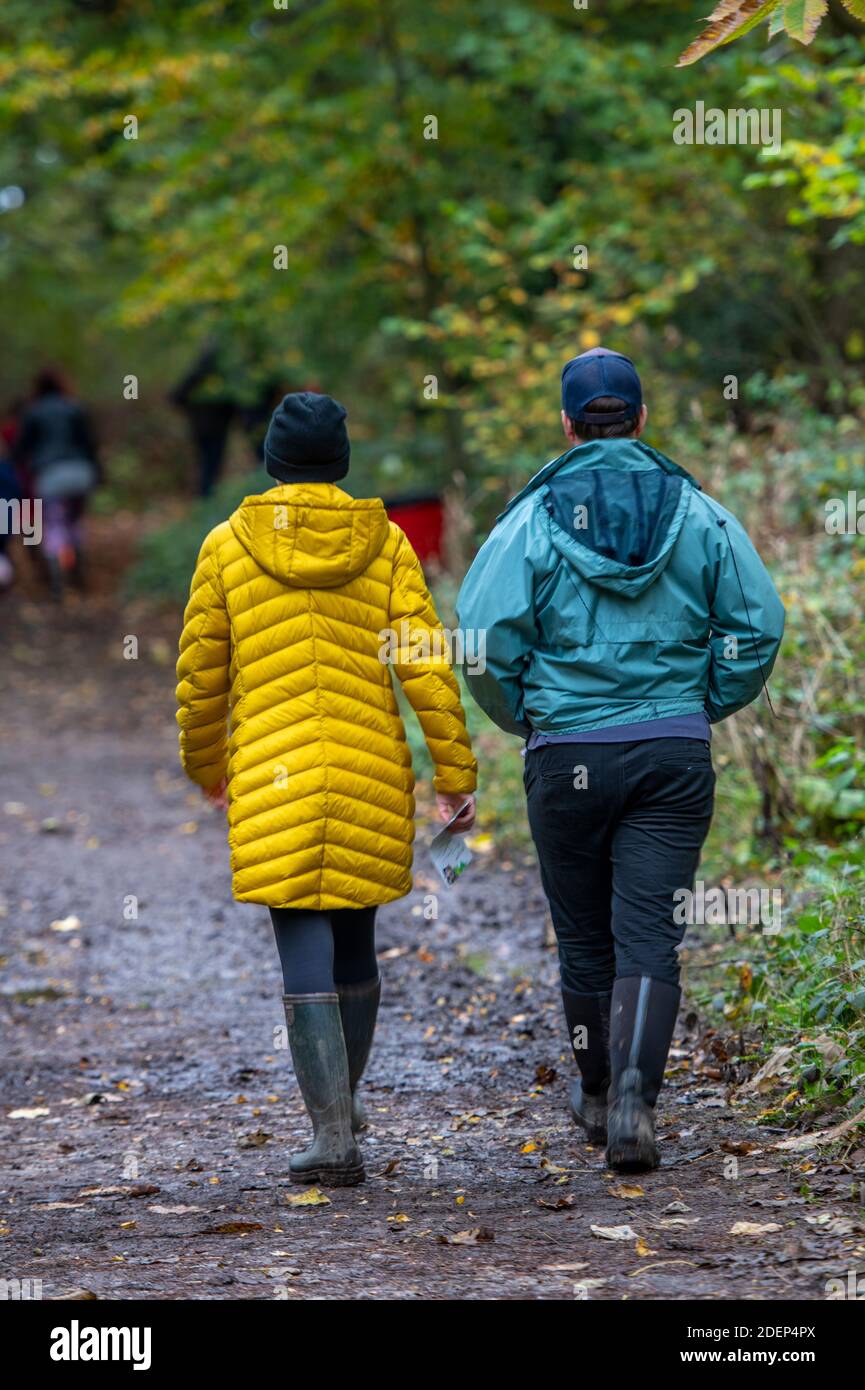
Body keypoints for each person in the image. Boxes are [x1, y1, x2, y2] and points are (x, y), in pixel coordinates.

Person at [456, 348, 784, 1173]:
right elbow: (758, 623)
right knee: (651, 936)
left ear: (565, 426)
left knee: (582, 938)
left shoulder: (529, 521)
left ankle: (597, 1093)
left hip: (565, 753)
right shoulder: (698, 510)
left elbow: (481, 640)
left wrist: (522, 714)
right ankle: (637, 1096)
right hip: (671, 753)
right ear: (640, 419)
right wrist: (703, 700)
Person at [176, 391, 478, 1186]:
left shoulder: (225, 546)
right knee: (354, 934)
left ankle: (332, 1133)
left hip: (273, 771)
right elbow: (424, 663)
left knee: (298, 932)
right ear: (340, 463)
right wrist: (454, 775)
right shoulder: (383, 545)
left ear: (270, 460)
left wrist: (206, 765)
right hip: (365, 765)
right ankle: (342, 1103)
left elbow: (202, 677)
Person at [14, 370, 101, 599]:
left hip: (51, 476)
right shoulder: (74, 408)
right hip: (81, 474)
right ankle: (77, 569)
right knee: (73, 521)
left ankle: (57, 579)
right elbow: (91, 444)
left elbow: (21, 449)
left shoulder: (33, 412)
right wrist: (98, 473)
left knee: (54, 524)